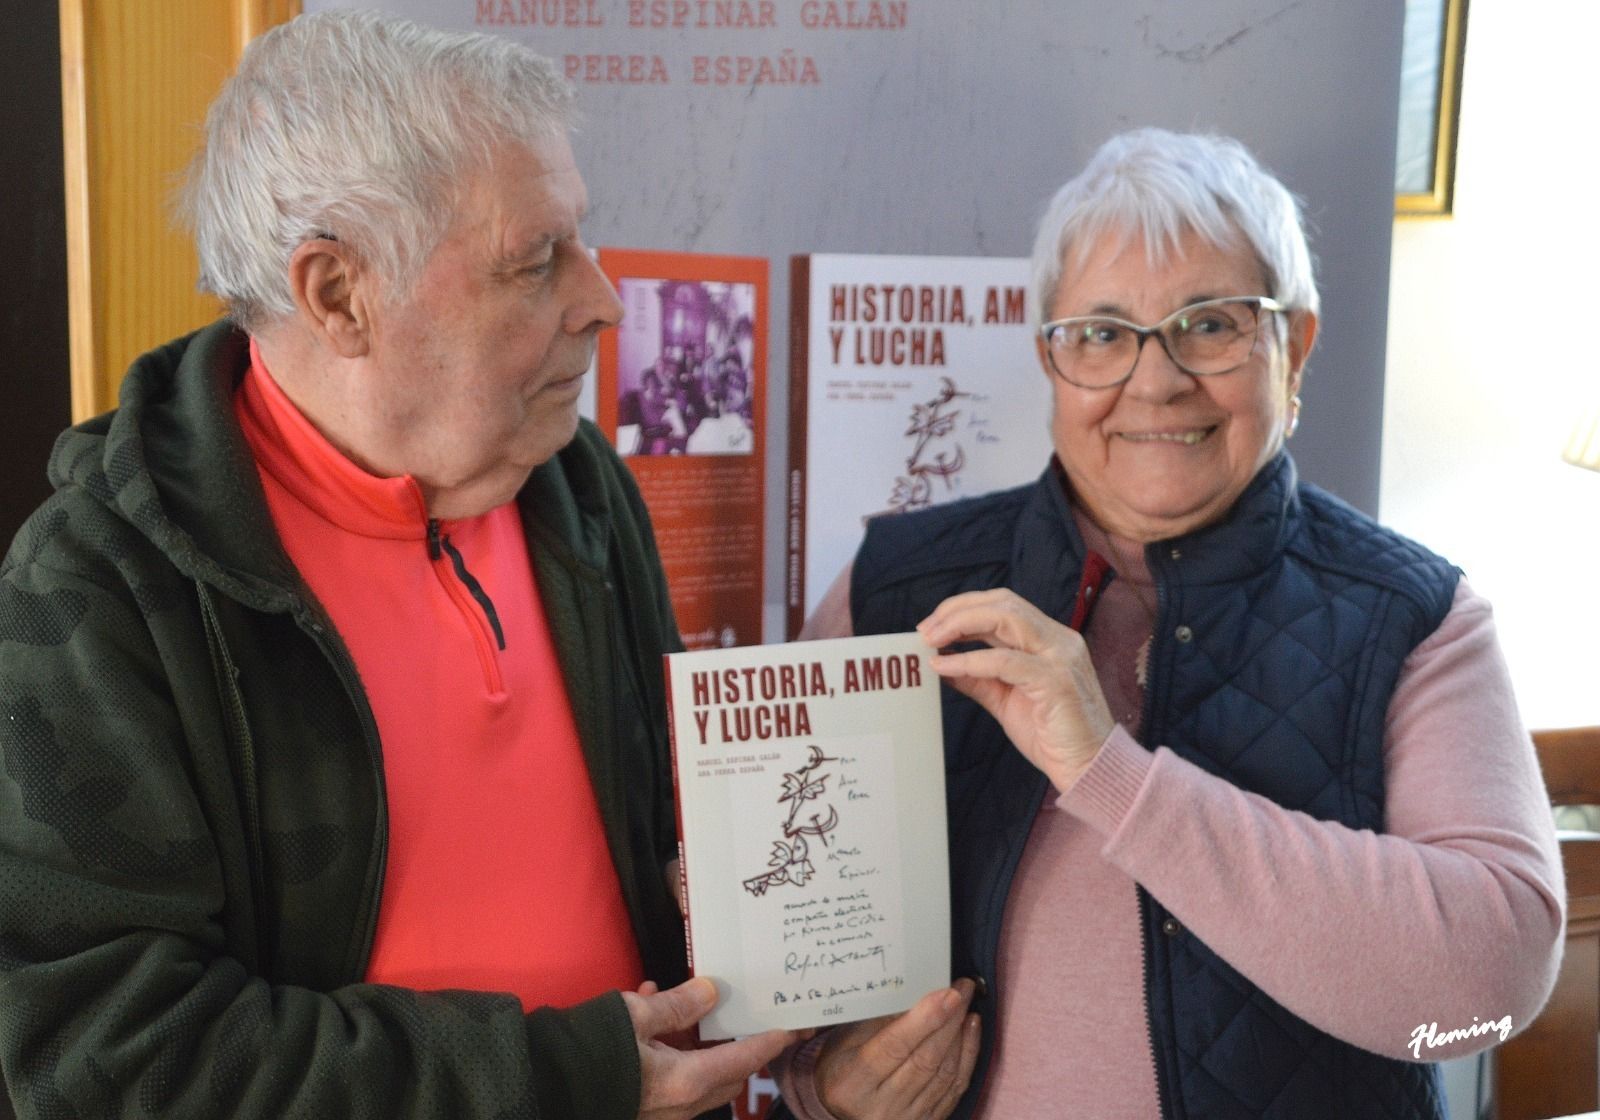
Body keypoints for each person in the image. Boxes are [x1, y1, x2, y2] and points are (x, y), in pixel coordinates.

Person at [0, 11, 793, 1119]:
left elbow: (681, 851)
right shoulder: (107, 584)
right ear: (337, 295)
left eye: (583, 239)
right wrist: (564, 1078)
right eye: (534, 262)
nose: (604, 301)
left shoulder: (578, 486)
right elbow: (109, 1054)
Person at [777, 129, 1564, 1120]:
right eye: (1101, 333)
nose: (1154, 382)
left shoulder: (1412, 619)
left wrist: (1108, 772)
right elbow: (782, 955)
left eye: (1209, 325)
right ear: (1050, 362)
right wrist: (826, 1088)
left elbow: (1486, 985)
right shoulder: (895, 589)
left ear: (1296, 346)